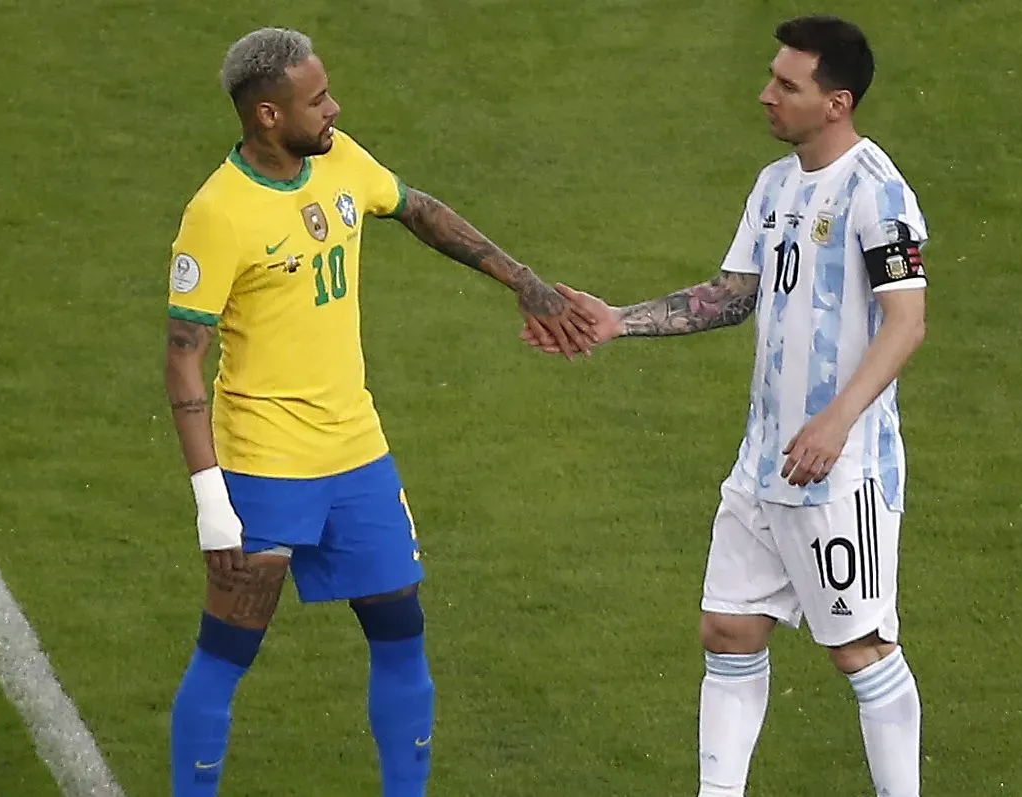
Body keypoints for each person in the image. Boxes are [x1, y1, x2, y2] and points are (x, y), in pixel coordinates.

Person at [164, 26, 595, 797]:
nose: (335, 107)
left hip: (357, 455)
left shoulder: (338, 158)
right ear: (266, 115)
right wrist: (210, 501)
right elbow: (182, 354)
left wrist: (523, 280)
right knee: (226, 651)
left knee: (401, 634)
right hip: (266, 463)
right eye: (316, 98)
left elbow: (417, 207)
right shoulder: (218, 214)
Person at [522, 14, 929, 797]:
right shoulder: (775, 186)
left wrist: (835, 422)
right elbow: (733, 295)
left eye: (786, 84)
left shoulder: (878, 193)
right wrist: (617, 320)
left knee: (861, 647)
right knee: (729, 628)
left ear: (835, 102)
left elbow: (906, 321)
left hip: (839, 473)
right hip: (762, 462)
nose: (764, 95)